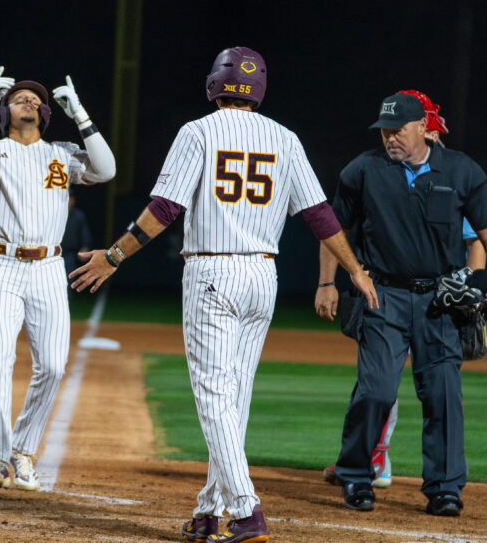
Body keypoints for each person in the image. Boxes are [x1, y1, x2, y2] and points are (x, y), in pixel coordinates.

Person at [70, 46, 378, 543]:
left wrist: (116, 254)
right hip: (263, 276)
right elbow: (320, 214)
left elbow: (165, 209)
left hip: (212, 271)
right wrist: (354, 269)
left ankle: (245, 507)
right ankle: (209, 508)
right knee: (233, 397)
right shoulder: (285, 137)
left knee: (215, 395)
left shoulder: (198, 132)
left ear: (215, 83)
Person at [314, 91, 487, 517]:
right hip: (381, 295)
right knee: (375, 391)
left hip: (440, 301)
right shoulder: (363, 170)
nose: (390, 138)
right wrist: (326, 282)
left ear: (423, 127)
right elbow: (334, 228)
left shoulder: (461, 170)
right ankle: (355, 476)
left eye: (398, 130)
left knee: (443, 394)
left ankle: (445, 489)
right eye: (385, 130)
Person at [0, 67, 116, 492]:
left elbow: (108, 170)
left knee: (54, 366)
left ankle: (23, 449)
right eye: (18, 98)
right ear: (5, 111)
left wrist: (79, 113)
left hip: (47, 268)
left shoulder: (61, 153)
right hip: (1, 265)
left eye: (34, 99)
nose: (28, 101)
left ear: (45, 112)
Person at [61, 189, 93, 282]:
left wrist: (85, 247)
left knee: (68, 280)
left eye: (70, 199)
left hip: (69, 254)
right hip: (54, 252)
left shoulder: (78, 216)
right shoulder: (54, 214)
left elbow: (85, 234)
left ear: (73, 200)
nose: (68, 201)